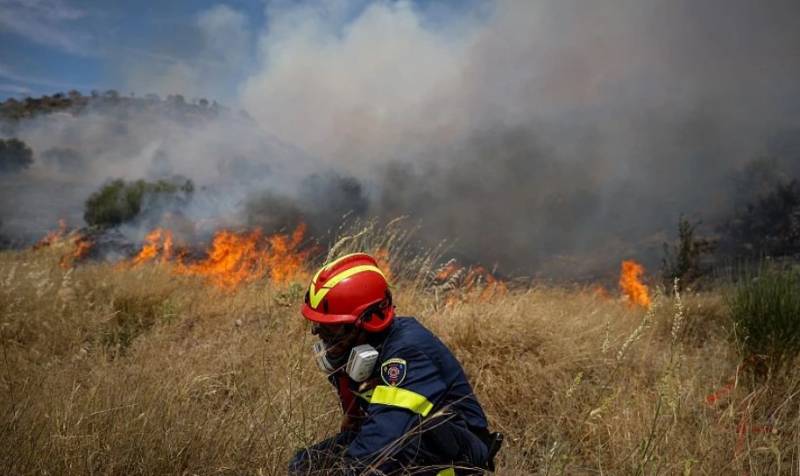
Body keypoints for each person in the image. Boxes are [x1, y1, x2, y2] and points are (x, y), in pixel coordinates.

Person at [289, 253, 502, 475]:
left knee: (366, 464)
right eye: (319, 327)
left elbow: (382, 441)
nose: (324, 339)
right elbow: (356, 425)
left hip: (453, 454)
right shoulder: (353, 353)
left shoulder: (407, 351)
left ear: (368, 321)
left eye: (332, 330)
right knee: (305, 463)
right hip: (402, 436)